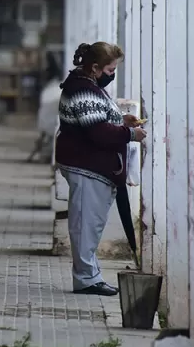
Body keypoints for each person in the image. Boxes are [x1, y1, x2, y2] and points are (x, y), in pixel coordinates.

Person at [55, 42, 148, 296]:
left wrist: (120, 120)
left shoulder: (87, 84)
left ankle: (90, 275)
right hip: (87, 167)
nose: (112, 73)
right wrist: (129, 134)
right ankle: (86, 279)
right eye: (110, 68)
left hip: (92, 167)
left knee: (90, 224)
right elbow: (97, 132)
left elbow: (99, 119)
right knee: (86, 225)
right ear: (95, 68)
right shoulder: (83, 90)